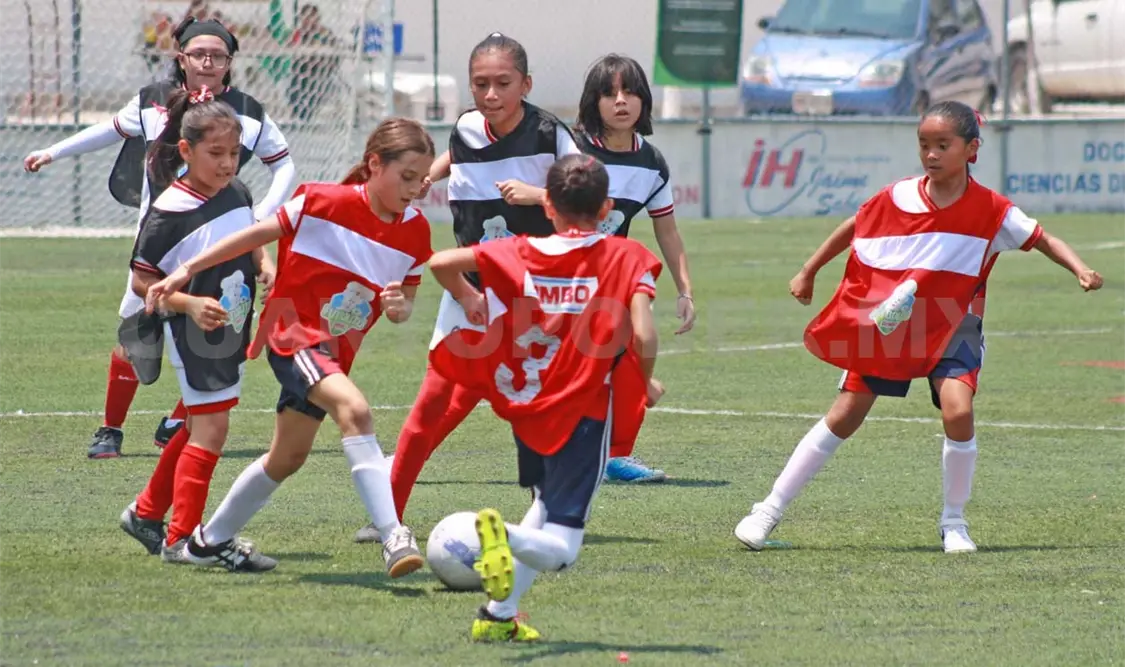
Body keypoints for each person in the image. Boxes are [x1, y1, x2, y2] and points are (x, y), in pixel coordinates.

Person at [734, 102, 1105, 554]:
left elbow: (1043, 238)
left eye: (942, 145)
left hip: (955, 323)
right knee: (846, 413)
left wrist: (1080, 269)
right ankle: (767, 510)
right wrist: (809, 269)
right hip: (897, 324)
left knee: (958, 410)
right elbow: (855, 226)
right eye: (924, 144)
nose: (931, 154)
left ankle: (954, 522)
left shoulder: (993, 210)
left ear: (972, 149)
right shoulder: (897, 196)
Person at [141, 118, 435, 576]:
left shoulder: (416, 232)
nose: (416, 188)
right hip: (293, 336)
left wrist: (398, 305)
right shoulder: (321, 202)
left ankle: (207, 541)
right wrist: (183, 272)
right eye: (407, 177)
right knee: (354, 411)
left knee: (288, 457)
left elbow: (402, 308)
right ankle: (394, 535)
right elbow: (253, 236)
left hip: (332, 356)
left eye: (422, 179)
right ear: (375, 165)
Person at [23, 17, 294, 459]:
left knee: (226, 338)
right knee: (135, 335)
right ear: (180, 57)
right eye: (199, 53)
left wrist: (260, 219)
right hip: (160, 242)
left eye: (218, 55)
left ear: (229, 62)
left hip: (222, 245)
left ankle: (177, 421)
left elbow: (283, 165)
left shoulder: (249, 110)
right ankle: (110, 429)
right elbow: (111, 131)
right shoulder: (153, 100)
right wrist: (54, 150)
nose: (208, 62)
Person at [353, 32, 586, 544]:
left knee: (535, 407)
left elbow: (588, 193)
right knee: (432, 405)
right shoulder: (464, 127)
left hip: (531, 298)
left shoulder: (550, 135)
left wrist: (538, 193)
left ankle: (546, 516)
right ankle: (388, 515)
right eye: (480, 83)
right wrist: (427, 179)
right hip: (467, 290)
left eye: (503, 83)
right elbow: (456, 156)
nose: (491, 93)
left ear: (526, 84)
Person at [427, 154, 663, 641]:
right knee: (563, 548)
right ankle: (495, 536)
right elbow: (644, 333)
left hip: (527, 407)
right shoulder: (626, 256)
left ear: (548, 205)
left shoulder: (520, 250)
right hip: (581, 411)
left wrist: (471, 301)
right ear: (608, 208)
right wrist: (643, 381)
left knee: (544, 507)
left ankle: (497, 615)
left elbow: (441, 262)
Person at [117, 86, 272, 569]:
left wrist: (263, 263)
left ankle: (146, 513)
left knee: (199, 424)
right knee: (212, 429)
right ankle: (182, 539)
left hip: (232, 329)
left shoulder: (238, 192)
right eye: (216, 154)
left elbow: (249, 238)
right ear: (186, 151)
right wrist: (187, 304)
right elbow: (144, 282)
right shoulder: (168, 212)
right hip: (192, 336)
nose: (228, 164)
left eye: (234, 154)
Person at [574, 53, 696, 483]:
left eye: (629, 92)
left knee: (629, 360)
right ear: (594, 102)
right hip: (561, 277)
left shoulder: (652, 163)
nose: (620, 102)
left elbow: (668, 231)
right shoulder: (574, 149)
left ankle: (615, 455)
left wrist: (685, 290)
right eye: (609, 94)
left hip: (609, 280)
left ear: (643, 99)